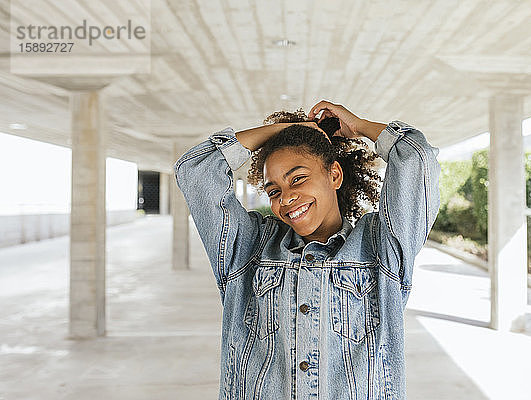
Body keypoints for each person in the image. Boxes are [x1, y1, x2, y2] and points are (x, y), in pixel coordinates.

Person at [173, 100, 441, 399]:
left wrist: (360, 127)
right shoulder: (249, 249)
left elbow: (416, 158)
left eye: (297, 178)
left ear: (334, 175)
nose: (286, 198)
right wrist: (285, 130)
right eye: (274, 191)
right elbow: (196, 170)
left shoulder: (382, 248)